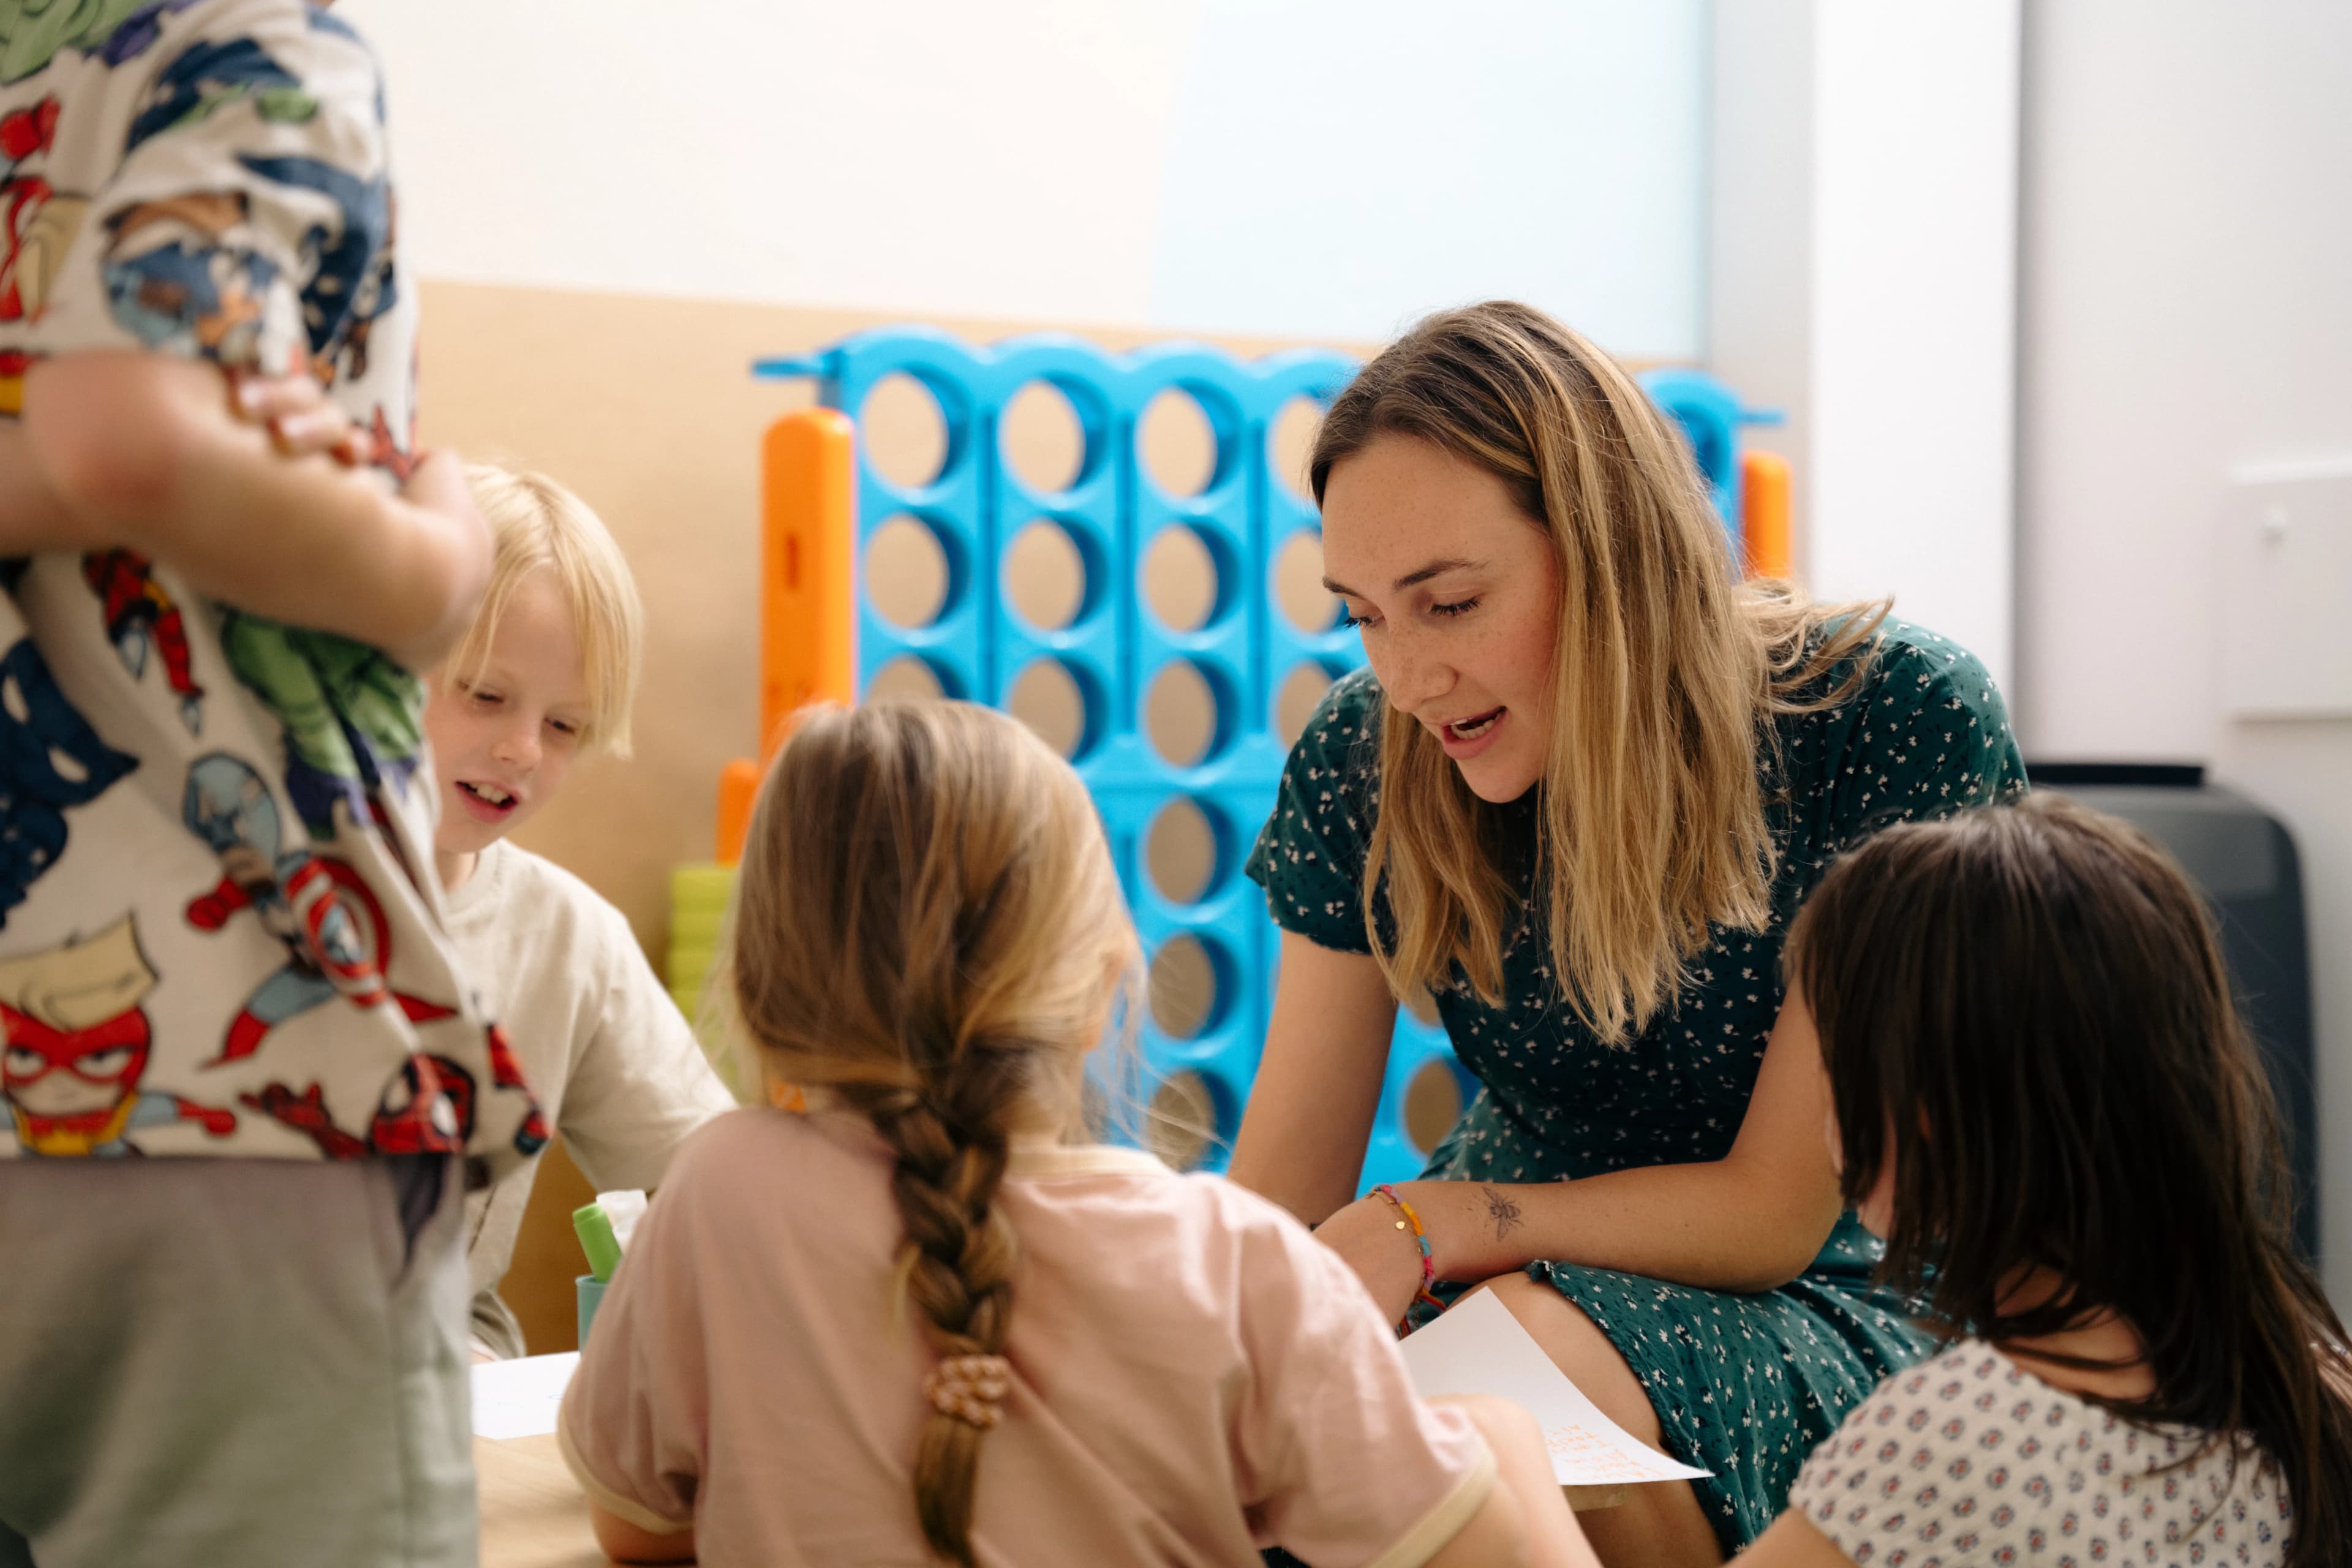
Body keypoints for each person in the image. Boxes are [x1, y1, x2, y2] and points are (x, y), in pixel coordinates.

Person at [1230, 300, 2025, 1564]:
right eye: (1364, 614)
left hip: (1829, 1279)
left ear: (1607, 550)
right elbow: (1281, 1189)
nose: (1406, 676)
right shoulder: (1366, 751)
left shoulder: (1889, 713)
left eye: (1448, 603)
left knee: (1501, 1398)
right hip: (1497, 1244)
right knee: (1308, 1410)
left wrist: (1439, 1222)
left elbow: (1776, 1209)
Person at [558, 701, 1597, 1568]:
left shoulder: (717, 1195)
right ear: (1103, 981)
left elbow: (637, 1527)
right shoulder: (1236, 1265)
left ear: (759, 987)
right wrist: (1494, 1439)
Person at [0, 2, 544, 1563]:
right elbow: (126, 430)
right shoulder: (245, 44)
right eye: (494, 696)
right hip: (215, 1078)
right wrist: (422, 562)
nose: (518, 747)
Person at [1736, 794, 2350, 1566]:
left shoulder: (1955, 1438)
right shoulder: (2313, 1378)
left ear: (1927, 1116)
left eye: (1833, 1069)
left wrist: (1527, 1484)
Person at [422, 461, 734, 1360]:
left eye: (566, 727)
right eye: (485, 695)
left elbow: (704, 1181)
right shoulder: (230, 900)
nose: (522, 748)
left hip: (452, 1388)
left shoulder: (567, 937)